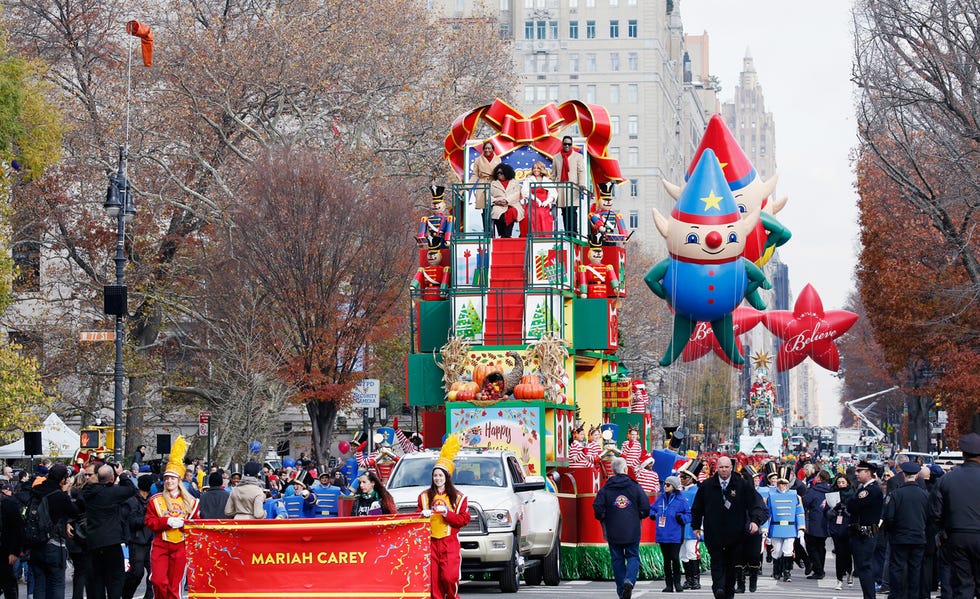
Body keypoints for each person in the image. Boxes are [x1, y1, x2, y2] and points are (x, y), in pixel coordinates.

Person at [690, 455, 767, 599]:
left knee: (732, 565)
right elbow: (696, 508)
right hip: (714, 533)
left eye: (726, 467)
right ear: (716, 468)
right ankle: (718, 588)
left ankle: (729, 591)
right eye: (721, 467)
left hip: (736, 534)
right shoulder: (707, 485)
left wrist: (755, 521)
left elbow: (755, 505)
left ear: (731, 468)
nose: (724, 470)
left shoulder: (742, 485)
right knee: (717, 562)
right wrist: (696, 526)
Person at [144, 437, 199, 599]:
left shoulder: (191, 502)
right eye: (167, 478)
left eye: (172, 478)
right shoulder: (155, 500)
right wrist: (166, 522)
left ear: (179, 480)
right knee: (159, 581)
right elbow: (149, 522)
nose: (169, 481)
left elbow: (195, 526)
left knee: (175, 586)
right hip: (161, 545)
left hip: (181, 546)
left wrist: (184, 524)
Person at [929, 433, 980, 599]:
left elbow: (935, 512)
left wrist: (943, 531)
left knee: (962, 584)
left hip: (957, 535)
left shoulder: (947, 479)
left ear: (963, 454)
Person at [417, 436, 469, 599]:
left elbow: (463, 520)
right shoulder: (424, 496)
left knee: (449, 577)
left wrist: (447, 513)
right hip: (430, 542)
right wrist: (422, 516)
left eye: (441, 475)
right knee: (433, 581)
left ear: (447, 477)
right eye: (435, 475)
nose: (437, 478)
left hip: (449, 542)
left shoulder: (459, 498)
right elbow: (417, 522)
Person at [593, 457, 650, 599]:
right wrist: (640, 515)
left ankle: (621, 591)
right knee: (632, 556)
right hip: (632, 528)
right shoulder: (635, 486)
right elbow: (645, 507)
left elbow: (597, 507)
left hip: (612, 529)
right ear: (625, 469)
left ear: (613, 471)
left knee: (617, 559)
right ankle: (629, 580)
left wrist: (603, 517)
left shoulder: (606, 487)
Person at [81, 463, 137, 599]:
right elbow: (131, 489)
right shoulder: (112, 492)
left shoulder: (87, 492)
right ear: (111, 478)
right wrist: (122, 474)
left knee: (97, 580)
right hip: (112, 541)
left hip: (94, 542)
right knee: (115, 580)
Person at [28, 463, 78, 599]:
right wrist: (66, 492)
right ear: (63, 479)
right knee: (56, 583)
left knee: (39, 583)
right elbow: (75, 512)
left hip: (35, 543)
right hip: (54, 544)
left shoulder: (36, 491)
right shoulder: (59, 496)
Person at [881, 460, 928, 599]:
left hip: (900, 537)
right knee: (915, 568)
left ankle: (897, 594)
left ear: (904, 475)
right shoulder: (924, 495)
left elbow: (889, 517)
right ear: (917, 475)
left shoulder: (896, 494)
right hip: (918, 536)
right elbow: (930, 516)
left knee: (897, 568)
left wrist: (890, 532)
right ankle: (913, 595)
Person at [848, 460, 885, 599]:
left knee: (864, 566)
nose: (857, 474)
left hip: (865, 532)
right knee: (863, 566)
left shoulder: (870, 490)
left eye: (859, 471)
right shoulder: (865, 488)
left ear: (868, 473)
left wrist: (852, 501)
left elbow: (852, 506)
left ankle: (869, 596)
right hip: (863, 531)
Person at [765, 465, 805, 582]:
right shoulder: (770, 496)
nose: (782, 486)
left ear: (788, 484)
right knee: (777, 550)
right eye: (780, 483)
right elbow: (767, 515)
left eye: (784, 483)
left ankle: (787, 572)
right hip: (776, 527)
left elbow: (799, 512)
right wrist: (765, 529)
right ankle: (776, 571)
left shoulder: (795, 495)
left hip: (790, 527)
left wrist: (801, 528)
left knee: (788, 550)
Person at [652, 475, 691, 593]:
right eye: (664, 484)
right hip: (663, 534)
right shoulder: (661, 498)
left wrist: (681, 518)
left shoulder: (681, 500)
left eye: (668, 485)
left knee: (674, 558)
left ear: (674, 486)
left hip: (675, 534)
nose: (665, 486)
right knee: (666, 559)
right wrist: (653, 515)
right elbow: (652, 509)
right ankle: (668, 585)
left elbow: (689, 514)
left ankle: (677, 583)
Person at [121, 475, 154, 599]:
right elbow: (130, 522)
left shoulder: (151, 500)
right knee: (136, 573)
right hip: (136, 541)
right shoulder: (131, 501)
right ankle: (126, 595)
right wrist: (147, 518)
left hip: (149, 540)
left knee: (153, 574)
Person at [550, 135, 586, 233]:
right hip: (561, 188)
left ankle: (573, 233)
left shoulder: (578, 156)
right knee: (564, 212)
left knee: (572, 211)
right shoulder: (556, 157)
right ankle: (567, 233)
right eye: (565, 144)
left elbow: (581, 172)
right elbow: (553, 174)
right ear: (562, 144)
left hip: (573, 188)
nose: (567, 146)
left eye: (569, 144)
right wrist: (551, 188)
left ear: (572, 145)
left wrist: (582, 184)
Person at [802, 469, 833, 580]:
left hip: (814, 522)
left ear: (819, 478)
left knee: (812, 547)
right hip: (826, 522)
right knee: (821, 547)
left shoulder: (813, 490)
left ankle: (818, 570)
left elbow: (804, 502)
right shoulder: (831, 490)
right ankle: (820, 569)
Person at [677, 460, 703, 590]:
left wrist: (700, 527)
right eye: (681, 477)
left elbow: (702, 511)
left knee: (692, 552)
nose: (681, 479)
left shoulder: (698, 491)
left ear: (692, 478)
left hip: (692, 527)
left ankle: (695, 580)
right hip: (680, 527)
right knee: (683, 554)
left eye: (684, 477)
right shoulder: (679, 492)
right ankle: (688, 579)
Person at [826, 472, 855, 590]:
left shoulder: (853, 494)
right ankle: (839, 579)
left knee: (847, 553)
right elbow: (826, 512)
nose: (841, 484)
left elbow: (855, 511)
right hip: (836, 527)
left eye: (843, 482)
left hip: (848, 526)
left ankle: (849, 572)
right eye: (839, 483)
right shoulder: (832, 493)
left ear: (847, 482)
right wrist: (834, 509)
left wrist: (846, 510)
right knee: (839, 553)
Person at [469, 141, 500, 231]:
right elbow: (475, 175)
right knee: (485, 209)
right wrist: (468, 187)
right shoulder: (478, 160)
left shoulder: (498, 159)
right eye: (485, 148)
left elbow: (501, 174)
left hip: (494, 184)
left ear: (493, 149)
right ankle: (487, 231)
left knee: (494, 208)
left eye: (489, 148)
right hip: (482, 184)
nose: (487, 150)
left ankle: (493, 232)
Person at [520, 161, 556, 236]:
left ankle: (544, 237)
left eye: (538, 168)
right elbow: (525, 191)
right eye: (534, 168)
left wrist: (547, 201)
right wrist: (535, 199)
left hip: (544, 204)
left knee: (542, 213)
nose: (536, 170)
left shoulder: (547, 180)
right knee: (529, 215)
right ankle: (531, 236)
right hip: (532, 204)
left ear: (541, 169)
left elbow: (553, 193)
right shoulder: (528, 179)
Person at [0, 480, 22, 599]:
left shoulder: (8, 504)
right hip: (6, 549)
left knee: (8, 582)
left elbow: (16, 529)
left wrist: (14, 551)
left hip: (4, 549)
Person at [488, 163, 523, 239]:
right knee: (498, 214)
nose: (499, 175)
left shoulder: (514, 182)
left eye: (501, 173)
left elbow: (517, 194)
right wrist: (495, 201)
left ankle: (506, 235)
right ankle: (504, 234)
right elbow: (488, 196)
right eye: (498, 173)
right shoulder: (493, 184)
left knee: (512, 212)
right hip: (498, 205)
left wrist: (507, 201)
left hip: (512, 204)